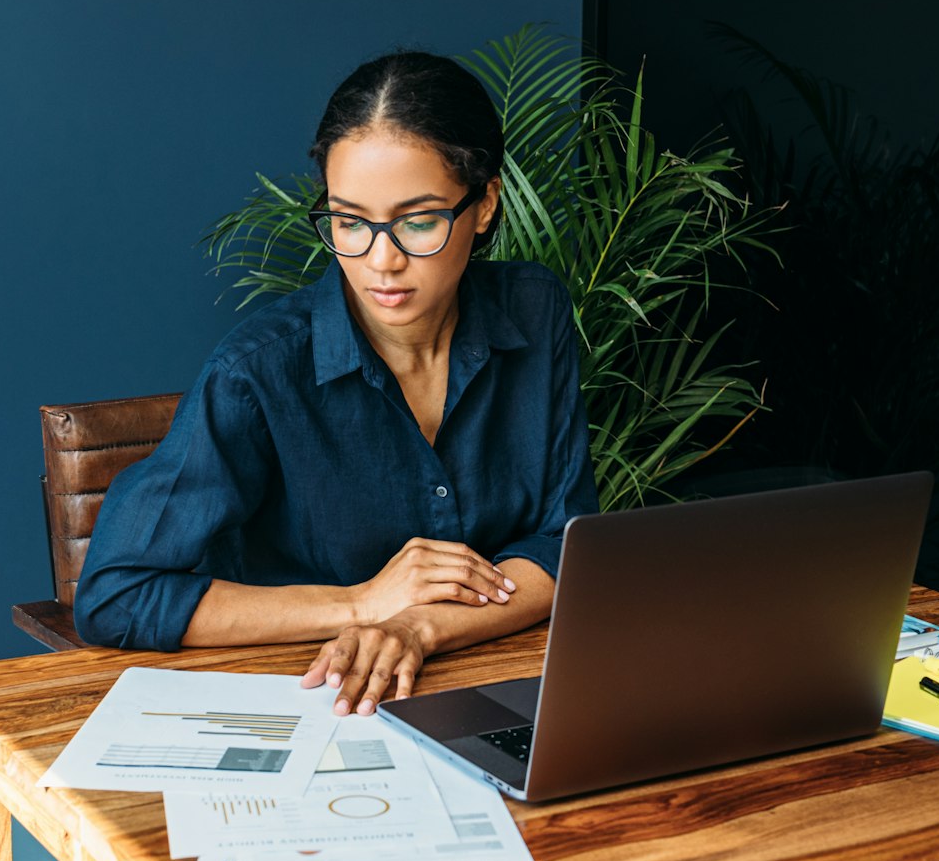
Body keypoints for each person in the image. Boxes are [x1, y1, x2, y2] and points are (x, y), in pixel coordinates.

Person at [73, 50, 599, 716]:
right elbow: (117, 594)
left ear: (486, 203)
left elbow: (565, 545)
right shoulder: (256, 371)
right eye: (350, 221)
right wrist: (362, 602)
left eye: (418, 220)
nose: (382, 260)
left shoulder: (535, 311)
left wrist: (417, 626)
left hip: (489, 690)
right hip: (312, 705)